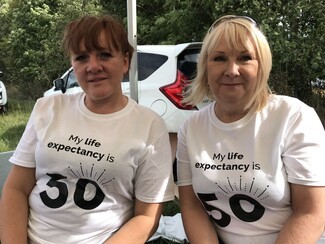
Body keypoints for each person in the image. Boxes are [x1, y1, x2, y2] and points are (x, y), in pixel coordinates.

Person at [0, 15, 175, 243]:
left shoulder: (149, 126)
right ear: (73, 65)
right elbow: (16, 189)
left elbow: (146, 216)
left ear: (125, 61)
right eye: (82, 57)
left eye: (104, 54)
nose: (93, 66)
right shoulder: (48, 107)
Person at [176, 15, 325, 244]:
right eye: (219, 58)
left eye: (245, 58)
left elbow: (311, 212)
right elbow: (191, 205)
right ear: (205, 66)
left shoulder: (294, 117)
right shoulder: (191, 128)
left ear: (262, 65)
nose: (232, 70)